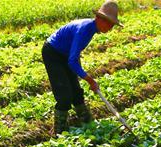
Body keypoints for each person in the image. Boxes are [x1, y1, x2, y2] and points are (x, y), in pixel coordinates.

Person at [42, 1, 121, 135]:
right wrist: (90, 80)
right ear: (99, 19)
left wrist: (83, 75)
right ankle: (59, 132)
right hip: (53, 53)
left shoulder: (91, 29)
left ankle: (87, 122)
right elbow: (72, 61)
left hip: (65, 54)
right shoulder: (84, 29)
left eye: (112, 24)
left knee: (77, 92)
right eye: (109, 23)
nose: (111, 27)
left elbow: (74, 56)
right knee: (64, 96)